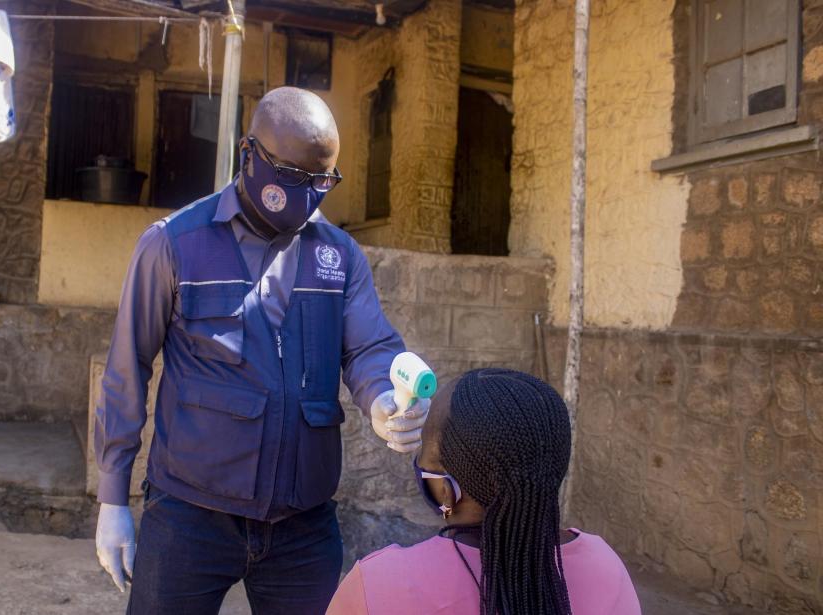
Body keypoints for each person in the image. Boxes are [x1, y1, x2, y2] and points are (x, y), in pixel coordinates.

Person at [93, 86, 429, 615]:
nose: (309, 196)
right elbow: (125, 369)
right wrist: (112, 495)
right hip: (189, 513)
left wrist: (384, 396)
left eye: (323, 181)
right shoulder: (175, 244)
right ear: (249, 155)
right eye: (294, 178)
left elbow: (369, 346)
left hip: (302, 525)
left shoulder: (337, 256)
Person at [327, 368, 641, 615]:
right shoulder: (606, 567)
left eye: (424, 450)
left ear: (446, 492)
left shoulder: (379, 584)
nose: (418, 460)